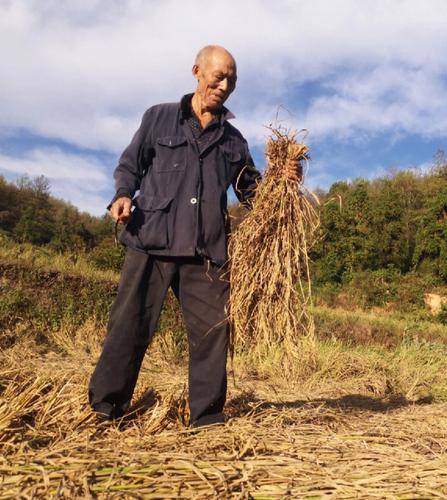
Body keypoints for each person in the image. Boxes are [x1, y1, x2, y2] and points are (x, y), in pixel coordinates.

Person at [88, 45, 302, 427]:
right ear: (197, 71)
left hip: (206, 252)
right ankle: (107, 406)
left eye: (231, 80)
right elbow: (130, 165)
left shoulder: (234, 141)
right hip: (151, 240)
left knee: (212, 336)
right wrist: (122, 195)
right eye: (218, 76)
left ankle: (207, 417)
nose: (224, 85)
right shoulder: (159, 118)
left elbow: (252, 193)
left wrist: (282, 185)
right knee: (129, 326)